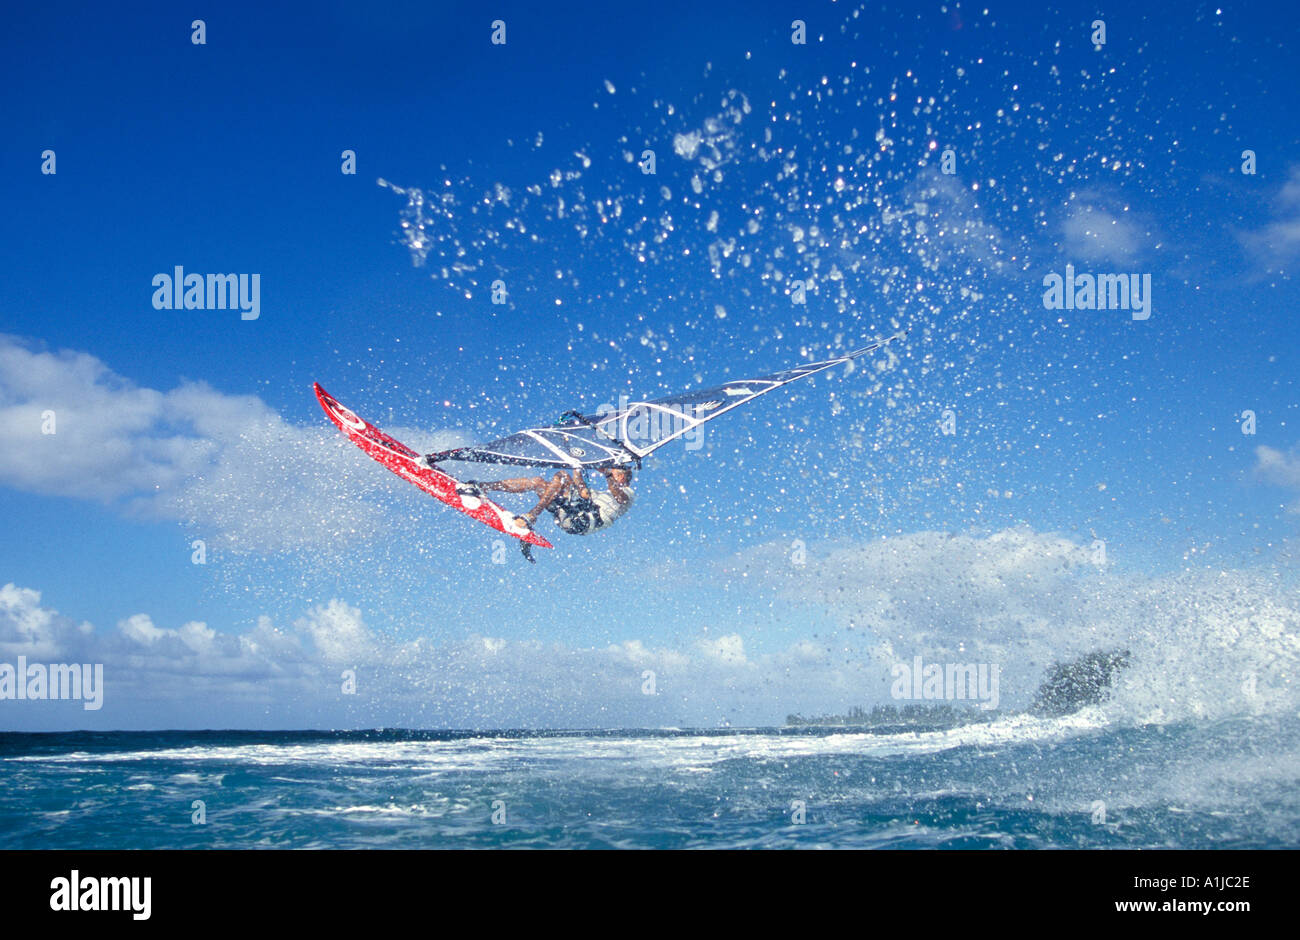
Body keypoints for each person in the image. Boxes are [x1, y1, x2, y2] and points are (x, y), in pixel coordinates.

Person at [463, 467, 634, 535]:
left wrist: (608, 473)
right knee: (538, 482)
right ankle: (482, 487)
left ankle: (532, 515)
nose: (615, 476)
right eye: (615, 473)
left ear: (625, 478)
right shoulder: (599, 494)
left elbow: (617, 494)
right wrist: (577, 466)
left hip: (582, 521)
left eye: (619, 474)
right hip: (571, 514)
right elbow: (581, 490)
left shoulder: (628, 493)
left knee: (561, 476)